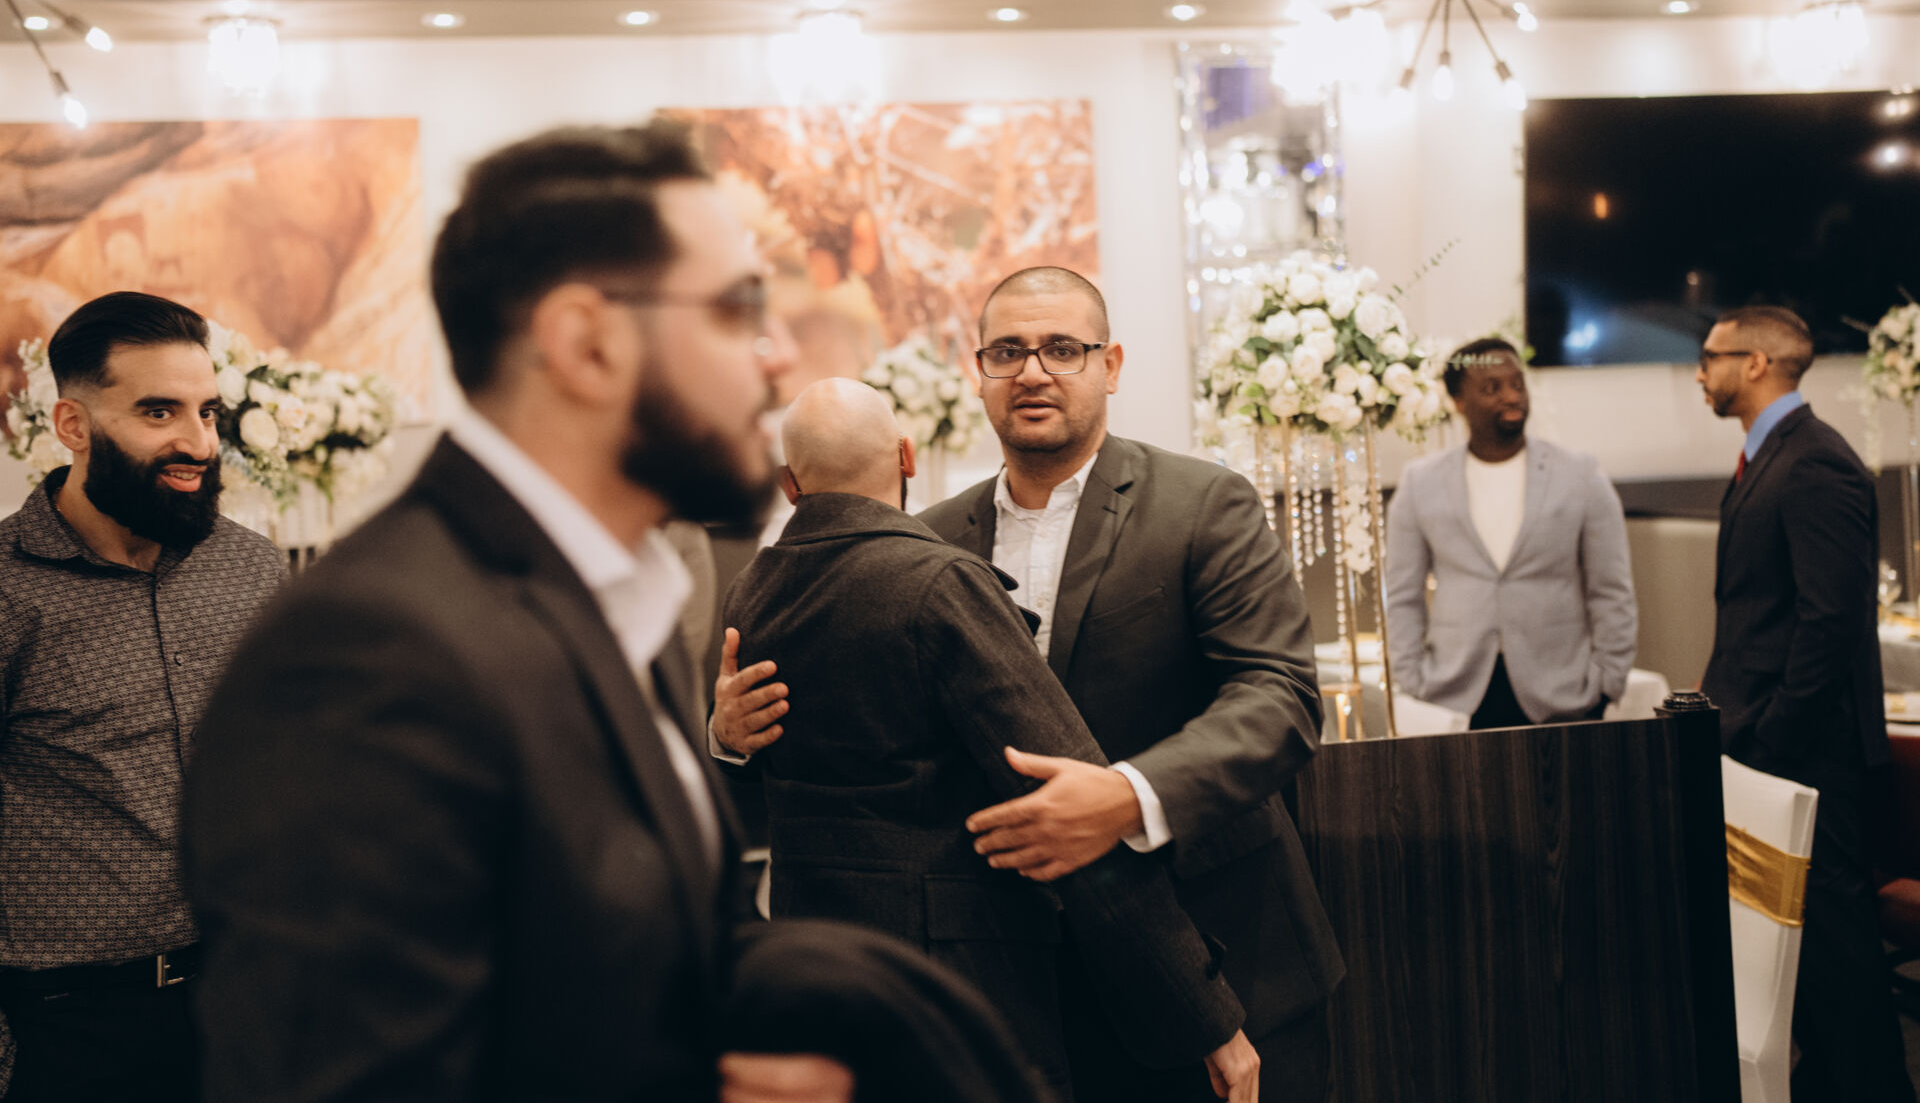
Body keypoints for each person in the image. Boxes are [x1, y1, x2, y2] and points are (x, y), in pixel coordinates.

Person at [183, 122, 887, 1103]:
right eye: (737, 310)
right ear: (586, 343)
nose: (778, 356)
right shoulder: (370, 657)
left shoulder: (620, 598)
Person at [717, 266, 1345, 1102]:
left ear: (1110, 365)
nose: (1033, 372)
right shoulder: (927, 542)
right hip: (1020, 979)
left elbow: (1279, 695)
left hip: (1216, 947)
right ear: (978, 372)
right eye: (1008, 352)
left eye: (1062, 349)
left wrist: (1129, 796)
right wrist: (731, 737)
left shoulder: (1201, 504)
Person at [0, 292, 286, 1103]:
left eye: (208, 411)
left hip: (246, 1001)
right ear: (73, 424)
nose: (198, 442)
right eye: (159, 412)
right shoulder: (7, 590)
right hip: (69, 1028)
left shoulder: (253, 569)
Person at [1696, 304, 1913, 1102]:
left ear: (1756, 362)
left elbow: (1831, 625)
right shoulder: (1768, 456)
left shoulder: (1816, 460)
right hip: (1769, 749)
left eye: (1711, 356)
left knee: (1839, 967)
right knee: (1804, 973)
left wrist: (1770, 739)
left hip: (1807, 757)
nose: (1699, 372)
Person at [1383, 336, 1637, 728]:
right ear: (1458, 401)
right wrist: (1411, 677)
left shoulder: (1581, 475)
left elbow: (1612, 589)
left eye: (1517, 384)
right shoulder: (1421, 483)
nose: (1511, 396)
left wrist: (1607, 680)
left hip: (1563, 692)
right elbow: (1403, 595)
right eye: (1492, 388)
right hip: (1454, 692)